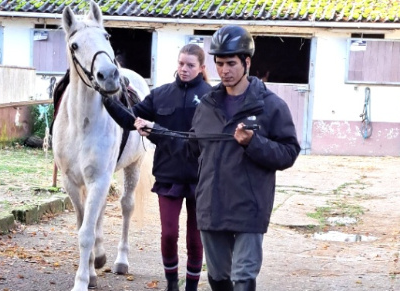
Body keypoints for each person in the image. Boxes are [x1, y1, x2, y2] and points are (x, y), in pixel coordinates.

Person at [135, 25, 301, 291]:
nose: (224, 70)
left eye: (231, 63)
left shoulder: (270, 106)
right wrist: (158, 133)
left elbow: (289, 152)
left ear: (247, 62)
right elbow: (192, 147)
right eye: (220, 63)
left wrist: (253, 143)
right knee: (219, 279)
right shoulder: (207, 106)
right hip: (212, 207)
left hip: (249, 207)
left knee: (243, 279)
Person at [103, 43, 212, 291]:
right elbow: (130, 119)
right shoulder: (160, 94)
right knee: (169, 234)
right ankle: (172, 283)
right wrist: (107, 99)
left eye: (190, 65)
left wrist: (156, 132)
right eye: (181, 63)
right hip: (169, 176)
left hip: (202, 178)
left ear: (202, 68)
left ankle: (191, 287)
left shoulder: (212, 98)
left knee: (196, 240)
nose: (184, 69)